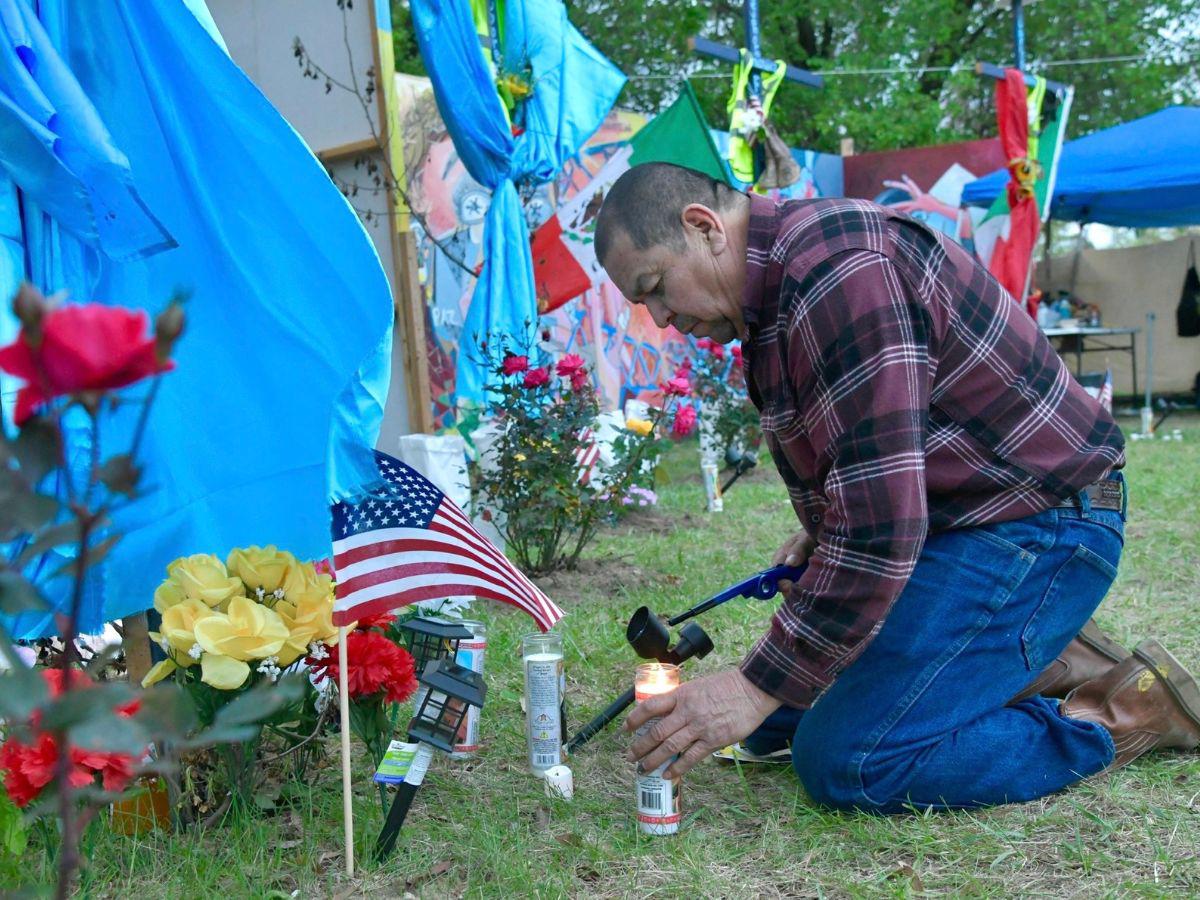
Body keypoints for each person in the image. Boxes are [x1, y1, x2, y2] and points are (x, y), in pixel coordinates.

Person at [594, 162, 1200, 812]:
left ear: (703, 226)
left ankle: (1125, 711)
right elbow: (882, 455)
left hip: (1047, 524)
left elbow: (881, 528)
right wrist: (824, 526)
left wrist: (751, 685)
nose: (661, 316)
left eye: (656, 286)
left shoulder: (839, 271)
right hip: (976, 522)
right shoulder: (780, 292)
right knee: (790, 711)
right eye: (644, 302)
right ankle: (1027, 657)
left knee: (849, 759)